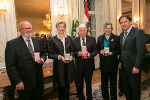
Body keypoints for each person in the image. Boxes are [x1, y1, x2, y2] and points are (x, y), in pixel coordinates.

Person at [5, 21, 46, 100]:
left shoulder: (38, 41)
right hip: (24, 83)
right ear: (20, 30)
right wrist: (17, 81)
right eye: (25, 28)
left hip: (38, 80)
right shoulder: (12, 44)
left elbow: (44, 53)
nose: (28, 30)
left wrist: (42, 59)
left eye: (29, 28)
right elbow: (10, 66)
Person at [119, 15, 146, 100]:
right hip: (124, 68)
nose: (123, 24)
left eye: (125, 21)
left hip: (133, 68)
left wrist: (137, 66)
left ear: (130, 22)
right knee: (127, 89)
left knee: (135, 90)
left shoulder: (138, 32)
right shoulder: (121, 34)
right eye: (121, 22)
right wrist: (120, 62)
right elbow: (122, 50)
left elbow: (141, 51)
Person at [48, 21, 75, 100]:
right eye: (60, 26)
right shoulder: (53, 39)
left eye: (63, 26)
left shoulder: (69, 38)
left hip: (69, 66)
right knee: (61, 86)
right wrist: (60, 57)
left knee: (67, 85)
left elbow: (73, 51)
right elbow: (50, 54)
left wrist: (71, 56)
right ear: (57, 28)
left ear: (65, 28)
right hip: (59, 67)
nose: (61, 28)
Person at [72, 24, 97, 100]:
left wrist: (90, 54)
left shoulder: (92, 39)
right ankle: (81, 97)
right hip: (79, 66)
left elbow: (96, 51)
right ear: (78, 31)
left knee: (88, 83)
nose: (82, 32)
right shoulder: (74, 40)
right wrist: (77, 53)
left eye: (84, 30)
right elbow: (72, 52)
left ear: (86, 31)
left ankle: (89, 97)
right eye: (80, 30)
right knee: (79, 84)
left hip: (89, 65)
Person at [97, 22, 120, 100]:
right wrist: (100, 51)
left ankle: (113, 97)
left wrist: (112, 53)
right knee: (104, 83)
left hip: (113, 64)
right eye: (106, 28)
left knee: (113, 83)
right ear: (104, 29)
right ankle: (105, 97)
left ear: (111, 29)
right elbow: (97, 48)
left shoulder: (116, 38)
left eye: (109, 28)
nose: (107, 30)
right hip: (103, 64)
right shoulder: (100, 38)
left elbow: (118, 50)